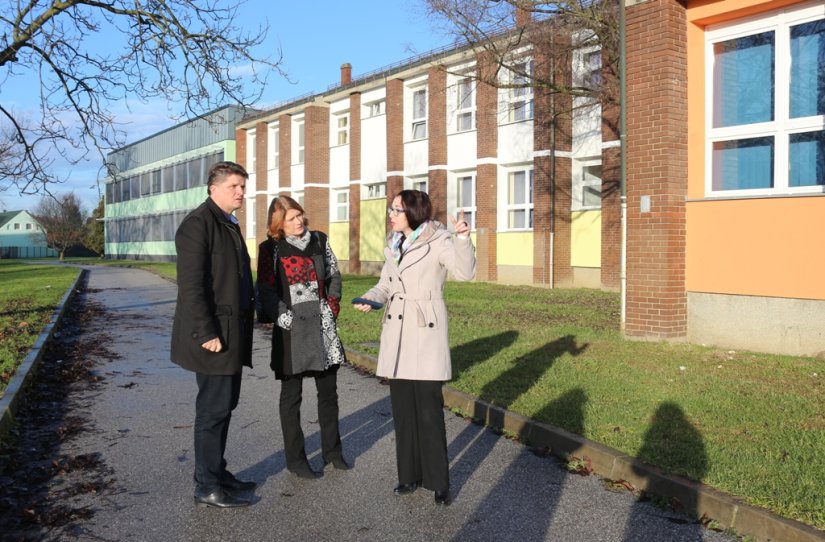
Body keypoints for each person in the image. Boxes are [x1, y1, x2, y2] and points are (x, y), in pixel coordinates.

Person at [353, 190, 475, 506]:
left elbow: (464, 272)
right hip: (397, 334)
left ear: (412, 212)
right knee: (403, 412)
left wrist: (463, 239)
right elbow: (385, 284)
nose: (390, 214)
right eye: (390, 208)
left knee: (428, 412)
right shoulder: (394, 245)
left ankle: (438, 482)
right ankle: (409, 476)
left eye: (396, 209)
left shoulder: (439, 240)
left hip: (425, 333)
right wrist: (371, 298)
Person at [170, 161, 256, 508]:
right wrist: (206, 331)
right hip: (213, 336)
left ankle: (217, 474)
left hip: (232, 333)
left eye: (243, 186)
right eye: (235, 186)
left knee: (225, 406)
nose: (241, 192)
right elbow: (192, 286)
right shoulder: (198, 225)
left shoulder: (227, 222)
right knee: (212, 410)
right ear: (214, 188)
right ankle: (206, 485)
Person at [256, 195, 349, 479]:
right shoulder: (270, 248)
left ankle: (333, 453)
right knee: (291, 397)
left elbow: (334, 276)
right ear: (278, 224)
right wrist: (285, 318)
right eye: (291, 218)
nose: (299, 222)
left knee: (328, 394)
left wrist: (331, 307)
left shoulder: (319, 240)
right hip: (291, 333)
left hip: (323, 329)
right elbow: (266, 289)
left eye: (300, 216)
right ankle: (296, 460)